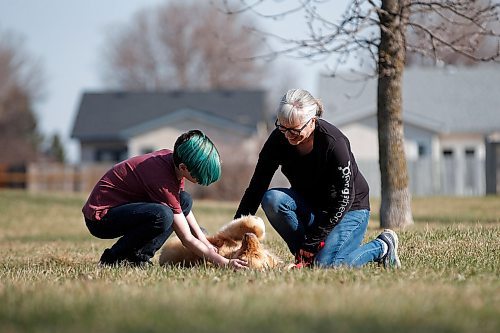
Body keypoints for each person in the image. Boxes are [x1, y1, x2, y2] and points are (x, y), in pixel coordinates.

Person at [234, 89, 401, 269]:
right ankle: (306, 257)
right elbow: (257, 188)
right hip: (311, 207)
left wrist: (314, 240)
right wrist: (235, 231)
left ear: (312, 121)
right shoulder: (278, 140)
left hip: (349, 209)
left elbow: (344, 199)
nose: (288, 135)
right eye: (282, 127)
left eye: (295, 130)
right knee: (272, 199)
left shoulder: (334, 143)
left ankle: (381, 246)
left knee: (327, 267)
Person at [83, 129, 248, 269]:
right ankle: (116, 258)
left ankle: (135, 257)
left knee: (184, 200)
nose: (199, 181)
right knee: (163, 215)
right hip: (101, 218)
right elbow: (186, 238)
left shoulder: (173, 161)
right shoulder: (161, 180)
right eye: (198, 176)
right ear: (183, 167)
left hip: (125, 207)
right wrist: (223, 262)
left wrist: (205, 241)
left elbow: (182, 207)